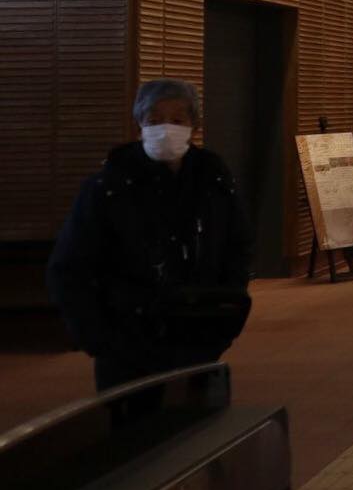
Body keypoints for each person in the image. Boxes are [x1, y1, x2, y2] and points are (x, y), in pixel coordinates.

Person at [48, 79, 254, 392]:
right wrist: (99, 339)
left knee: (200, 434)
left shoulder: (214, 183)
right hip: (127, 348)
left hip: (199, 341)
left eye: (177, 120)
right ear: (139, 126)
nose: (165, 129)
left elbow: (237, 248)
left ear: (193, 125)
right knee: (135, 436)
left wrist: (223, 317)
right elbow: (69, 268)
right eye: (154, 120)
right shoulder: (108, 187)